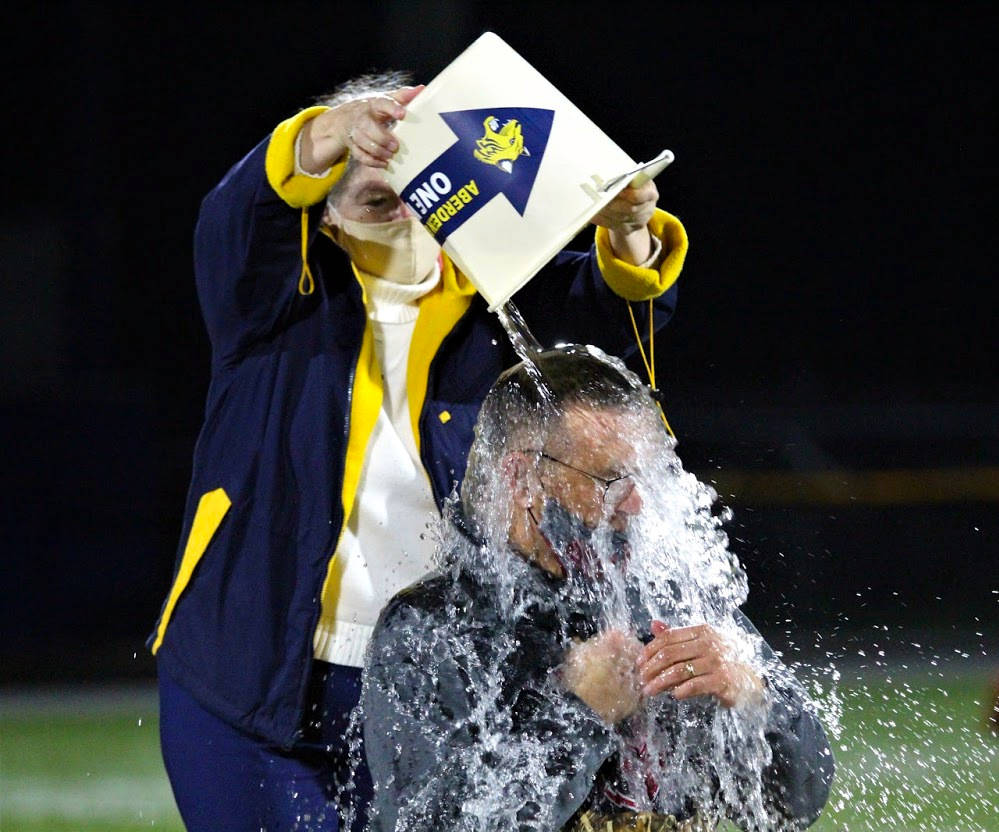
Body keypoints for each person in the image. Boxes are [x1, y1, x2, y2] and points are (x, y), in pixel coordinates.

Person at [149, 71, 688, 831]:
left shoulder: (505, 301)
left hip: (437, 681)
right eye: (371, 153)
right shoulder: (270, 297)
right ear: (323, 210)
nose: (393, 167)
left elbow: (621, 307)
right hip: (248, 669)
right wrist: (325, 132)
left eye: (417, 155)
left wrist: (628, 223)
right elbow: (236, 220)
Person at [363, 347, 834, 831]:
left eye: (643, 475)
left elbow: (794, 806)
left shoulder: (667, 597)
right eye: (610, 479)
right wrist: (580, 715)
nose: (636, 504)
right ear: (523, 478)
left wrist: (753, 695)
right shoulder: (430, 633)